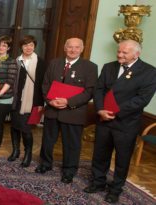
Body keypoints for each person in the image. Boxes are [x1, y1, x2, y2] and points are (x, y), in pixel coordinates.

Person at [83, 40, 156, 204]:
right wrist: (100, 109)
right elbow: (99, 89)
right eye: (119, 51)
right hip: (103, 118)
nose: (120, 55)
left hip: (126, 123)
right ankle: (98, 182)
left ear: (137, 54)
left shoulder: (149, 72)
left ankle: (115, 189)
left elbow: (142, 100)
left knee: (122, 159)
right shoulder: (109, 67)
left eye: (125, 53)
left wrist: (115, 112)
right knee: (100, 154)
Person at [36, 38, 98, 184]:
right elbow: (45, 84)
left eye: (76, 47)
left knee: (72, 144)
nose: (72, 50)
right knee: (47, 140)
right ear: (65, 48)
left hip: (73, 112)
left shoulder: (90, 67)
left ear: (82, 49)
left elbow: (89, 91)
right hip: (52, 109)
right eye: (70, 47)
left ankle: (69, 170)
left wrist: (68, 102)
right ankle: (45, 164)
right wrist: (49, 100)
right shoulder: (54, 63)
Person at [7, 35, 46, 167]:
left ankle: (27, 153)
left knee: (26, 129)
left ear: (34, 46)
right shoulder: (16, 61)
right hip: (16, 99)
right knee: (14, 126)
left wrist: (41, 103)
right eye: (25, 45)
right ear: (21, 47)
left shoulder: (40, 62)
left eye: (31, 45)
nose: (28, 47)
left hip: (32, 101)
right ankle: (15, 150)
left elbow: (43, 84)